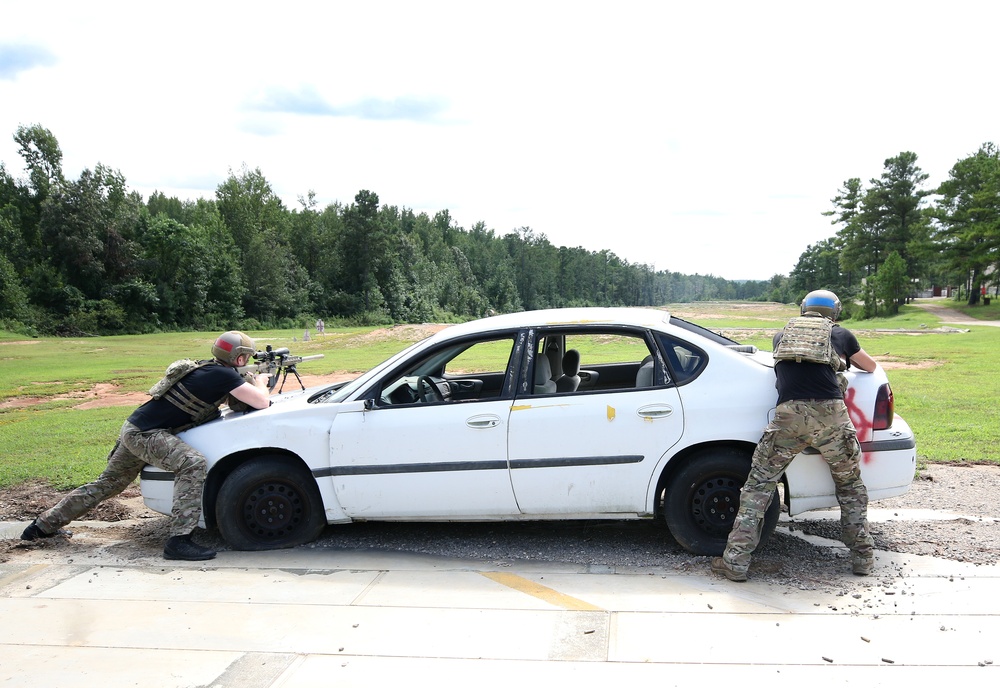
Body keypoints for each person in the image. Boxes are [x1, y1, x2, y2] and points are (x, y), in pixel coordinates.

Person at [20, 331, 272, 561]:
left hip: (135, 429)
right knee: (193, 463)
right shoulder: (222, 375)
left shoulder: (210, 371)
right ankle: (179, 541)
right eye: (245, 357)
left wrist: (249, 381)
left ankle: (41, 526)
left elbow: (240, 405)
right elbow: (261, 402)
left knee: (107, 484)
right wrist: (260, 381)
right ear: (238, 359)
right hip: (147, 434)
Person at [712, 290, 878, 582]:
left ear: (804, 310)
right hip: (832, 416)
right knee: (850, 487)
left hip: (789, 416)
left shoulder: (781, 335)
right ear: (834, 313)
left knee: (758, 487)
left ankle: (735, 563)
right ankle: (862, 558)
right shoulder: (841, 335)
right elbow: (870, 366)